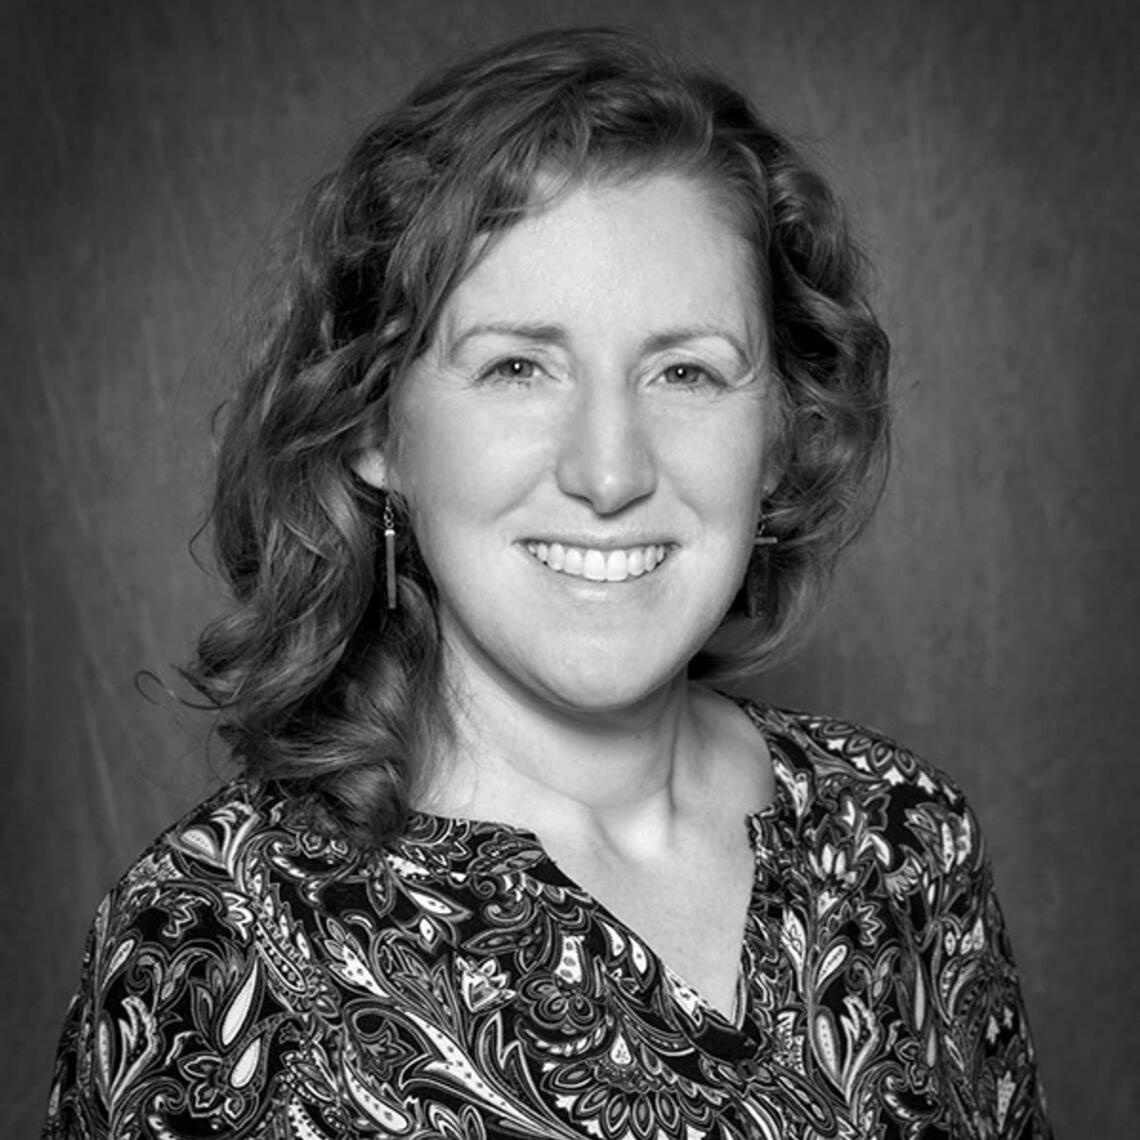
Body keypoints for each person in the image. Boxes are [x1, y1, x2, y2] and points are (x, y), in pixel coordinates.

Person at [42, 26, 1051, 1140]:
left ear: (779, 432)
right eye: (519, 366)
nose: (609, 472)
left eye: (686, 371)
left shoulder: (906, 846)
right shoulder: (205, 947)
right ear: (376, 425)